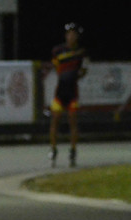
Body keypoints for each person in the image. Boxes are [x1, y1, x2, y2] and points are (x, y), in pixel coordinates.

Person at [48, 22, 88, 167]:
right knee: (55, 120)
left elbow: (84, 69)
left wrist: (80, 73)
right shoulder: (57, 50)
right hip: (60, 92)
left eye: (74, 34)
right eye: (69, 34)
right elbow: (55, 66)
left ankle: (73, 150)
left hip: (73, 92)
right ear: (66, 36)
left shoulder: (81, 52)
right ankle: (53, 149)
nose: (71, 36)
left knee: (73, 121)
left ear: (77, 36)